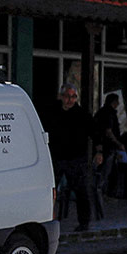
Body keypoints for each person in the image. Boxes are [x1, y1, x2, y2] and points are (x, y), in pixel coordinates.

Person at [43, 85, 97, 233]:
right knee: (48, 191)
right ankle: (45, 221)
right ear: (61, 96)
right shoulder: (52, 112)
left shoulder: (81, 114)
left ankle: (84, 223)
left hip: (76, 159)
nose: (70, 100)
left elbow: (95, 133)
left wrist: (99, 152)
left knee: (81, 191)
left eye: (73, 97)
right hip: (56, 157)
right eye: (67, 96)